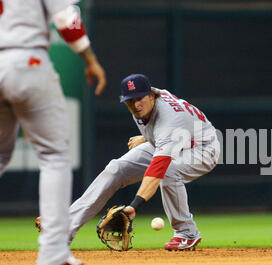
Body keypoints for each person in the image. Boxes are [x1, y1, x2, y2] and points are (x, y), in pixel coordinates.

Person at [37, 74, 220, 250]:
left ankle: (186, 232)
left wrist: (134, 206)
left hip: (203, 148)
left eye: (140, 98)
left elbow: (156, 170)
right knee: (116, 168)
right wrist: (148, 137)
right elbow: (166, 132)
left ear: (151, 95)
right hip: (174, 140)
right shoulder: (149, 102)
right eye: (130, 100)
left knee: (168, 171)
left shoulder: (169, 120)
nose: (136, 104)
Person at [0, 0, 106, 265]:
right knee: (55, 156)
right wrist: (90, 59)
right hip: (26, 60)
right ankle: (54, 253)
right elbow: (65, 18)